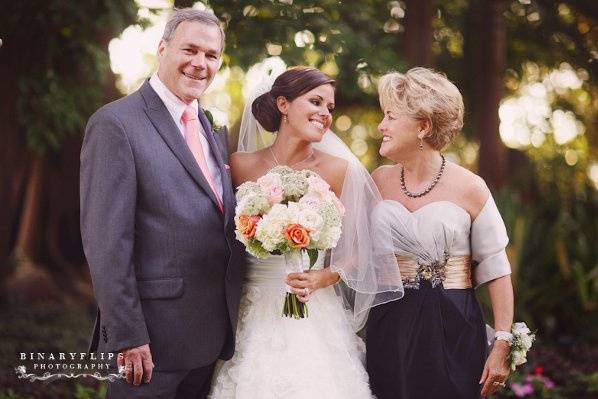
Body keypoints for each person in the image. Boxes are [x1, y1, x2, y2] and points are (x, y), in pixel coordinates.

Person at [209, 66, 403, 398]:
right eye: (315, 102)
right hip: (249, 309)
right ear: (283, 104)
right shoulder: (240, 164)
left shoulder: (339, 170)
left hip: (312, 309)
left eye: (330, 107)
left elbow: (364, 249)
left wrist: (324, 276)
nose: (325, 114)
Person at [80, 8, 245, 398]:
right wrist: (127, 335)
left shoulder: (212, 127)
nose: (200, 64)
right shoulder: (116, 124)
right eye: (190, 50)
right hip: (147, 345)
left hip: (207, 339)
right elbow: (106, 242)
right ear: (162, 48)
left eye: (211, 55)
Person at [366, 67, 514, 399]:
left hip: (452, 320)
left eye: (390, 117)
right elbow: (353, 252)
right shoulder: (377, 181)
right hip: (389, 317)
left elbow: (496, 267)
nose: (381, 126)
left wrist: (502, 342)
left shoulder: (471, 188)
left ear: (423, 126)